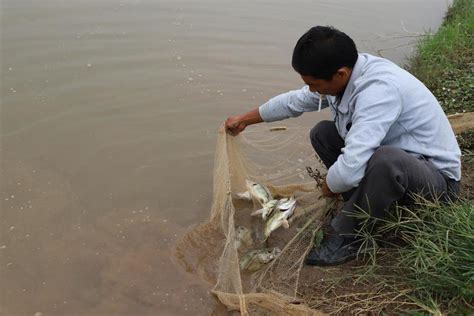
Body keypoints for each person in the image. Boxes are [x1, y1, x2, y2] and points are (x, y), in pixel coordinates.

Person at [224, 26, 461, 266]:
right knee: (323, 134)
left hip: (437, 184)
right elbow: (294, 102)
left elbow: (351, 166)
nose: (312, 90)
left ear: (340, 74)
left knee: (386, 161)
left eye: (314, 84)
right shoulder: (345, 75)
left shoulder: (378, 91)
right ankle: (365, 202)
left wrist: (329, 186)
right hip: (404, 164)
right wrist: (245, 119)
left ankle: (353, 238)